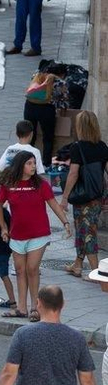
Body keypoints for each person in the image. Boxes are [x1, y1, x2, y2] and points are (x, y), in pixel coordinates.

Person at [0, 151, 69, 320]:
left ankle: (35, 308)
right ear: (21, 165)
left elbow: (54, 204)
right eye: (29, 163)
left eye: (34, 163)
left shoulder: (41, 185)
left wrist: (65, 222)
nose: (33, 166)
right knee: (20, 271)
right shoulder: (8, 184)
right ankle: (22, 308)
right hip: (17, 235)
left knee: (32, 269)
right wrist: (3, 227)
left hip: (39, 234)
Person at [55, 111, 108, 278]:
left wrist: (64, 198)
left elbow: (73, 174)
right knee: (82, 230)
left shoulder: (78, 147)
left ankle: (95, 272)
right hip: (97, 196)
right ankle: (77, 265)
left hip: (83, 197)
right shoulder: (102, 146)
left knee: (88, 233)